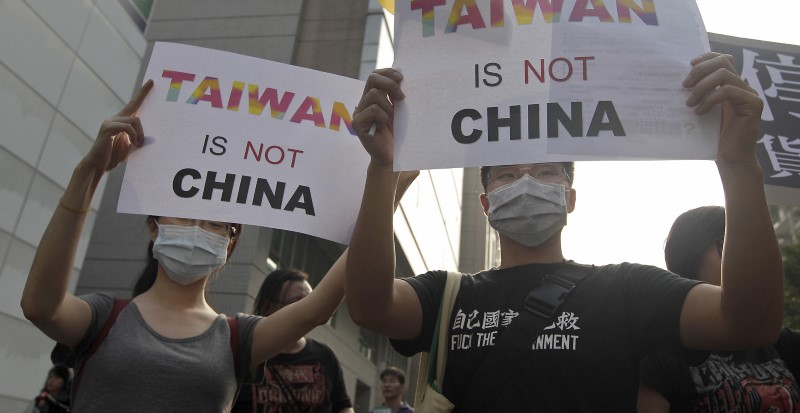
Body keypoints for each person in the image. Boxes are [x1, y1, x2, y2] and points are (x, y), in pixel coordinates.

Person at [345, 52, 784, 411]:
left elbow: (747, 322)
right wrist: (382, 167)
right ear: (485, 204)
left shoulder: (627, 289)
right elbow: (370, 306)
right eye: (506, 176)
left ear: (570, 199)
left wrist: (739, 164)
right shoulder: (448, 296)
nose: (526, 182)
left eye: (546, 171)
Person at [20, 80, 347, 412]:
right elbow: (39, 306)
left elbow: (318, 308)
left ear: (229, 245)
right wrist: (89, 170)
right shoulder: (102, 317)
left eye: (214, 223)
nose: (197, 229)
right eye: (183, 215)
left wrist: (382, 186)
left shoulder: (239, 337)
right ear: (154, 227)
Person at [638, 206, 800, 412]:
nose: (745, 259)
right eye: (727, 245)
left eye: (751, 248)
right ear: (690, 257)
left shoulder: (782, 343)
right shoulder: (660, 357)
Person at [232, 268, 354, 413]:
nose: (308, 309)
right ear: (267, 306)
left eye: (311, 301)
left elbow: (343, 406)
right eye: (297, 302)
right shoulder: (245, 350)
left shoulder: (325, 356)